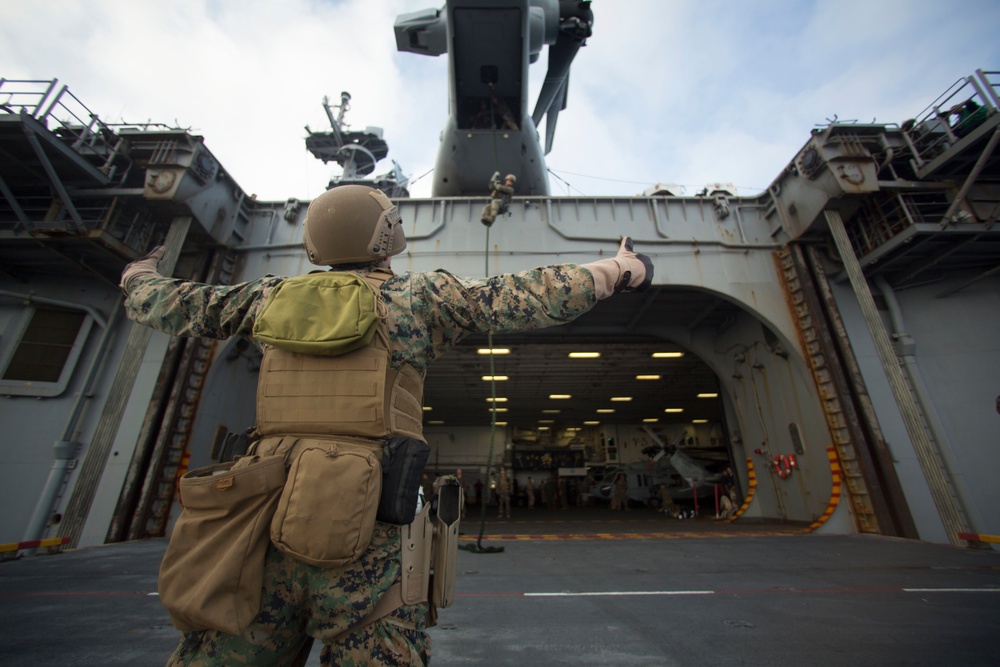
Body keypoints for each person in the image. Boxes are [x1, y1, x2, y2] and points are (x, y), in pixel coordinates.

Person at [119, 184, 653, 666]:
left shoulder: (267, 298)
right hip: (364, 521)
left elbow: (173, 303)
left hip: (257, 518)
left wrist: (137, 275)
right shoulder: (414, 299)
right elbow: (529, 295)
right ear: (387, 236)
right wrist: (620, 268)